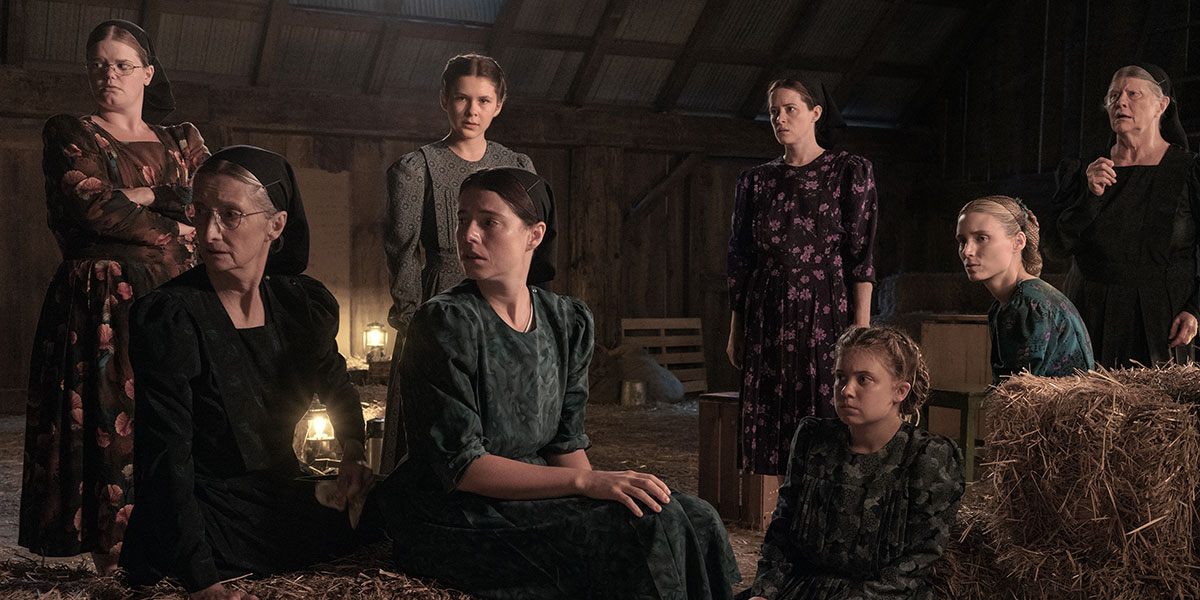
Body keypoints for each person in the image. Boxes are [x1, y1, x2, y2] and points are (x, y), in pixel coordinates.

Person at [379, 167, 739, 599]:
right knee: (639, 526)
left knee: (695, 515)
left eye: (488, 222)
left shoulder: (566, 320)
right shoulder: (445, 322)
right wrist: (587, 486)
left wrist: (598, 495)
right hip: (456, 511)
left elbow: (564, 443)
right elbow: (462, 466)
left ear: (534, 235)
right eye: (462, 220)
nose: (468, 235)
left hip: (531, 494)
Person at [119, 146, 371, 600]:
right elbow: (165, 457)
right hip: (202, 512)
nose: (209, 232)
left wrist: (352, 453)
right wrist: (202, 582)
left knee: (396, 507)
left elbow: (334, 384)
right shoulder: (173, 318)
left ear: (275, 225)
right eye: (201, 214)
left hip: (275, 496)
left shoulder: (300, 305)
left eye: (231, 215)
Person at [20, 19, 208, 573]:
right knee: (110, 418)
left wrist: (137, 197)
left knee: (175, 414)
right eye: (98, 63)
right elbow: (89, 210)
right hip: (98, 301)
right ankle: (117, 560)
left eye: (122, 64)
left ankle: (186, 541)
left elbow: (207, 200)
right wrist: (165, 203)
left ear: (147, 73)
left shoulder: (183, 139)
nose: (109, 73)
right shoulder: (70, 131)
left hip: (176, 293)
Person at [382, 53, 536, 472]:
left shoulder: (518, 167)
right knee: (434, 407)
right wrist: (414, 319)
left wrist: (525, 308)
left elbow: (528, 245)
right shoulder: (417, 168)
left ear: (499, 105)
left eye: (484, 101)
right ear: (444, 100)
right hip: (440, 295)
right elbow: (402, 248)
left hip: (503, 302)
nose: (472, 111)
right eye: (462, 99)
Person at [726, 78, 878, 476]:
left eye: (790, 108)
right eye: (774, 111)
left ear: (815, 113)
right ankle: (785, 518)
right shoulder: (755, 181)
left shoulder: (848, 171)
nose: (780, 118)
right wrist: (736, 327)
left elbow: (861, 255)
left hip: (825, 308)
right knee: (773, 421)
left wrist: (860, 329)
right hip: (767, 310)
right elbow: (740, 258)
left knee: (826, 413)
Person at [743, 326, 964, 600]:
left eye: (864, 379)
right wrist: (764, 593)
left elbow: (919, 557)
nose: (846, 390)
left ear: (900, 391)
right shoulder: (812, 439)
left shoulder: (928, 457)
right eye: (840, 377)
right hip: (805, 588)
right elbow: (782, 529)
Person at [1045, 63, 1200, 367]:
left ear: (1162, 105)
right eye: (1113, 96)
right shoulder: (1084, 171)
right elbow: (1055, 247)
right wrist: (1089, 197)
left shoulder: (1188, 171)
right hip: (1090, 313)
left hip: (1163, 319)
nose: (1121, 102)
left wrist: (1197, 308)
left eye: (1133, 94)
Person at [957, 196, 1094, 383]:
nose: (967, 251)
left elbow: (1020, 393)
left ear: (1018, 242)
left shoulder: (1030, 304)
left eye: (982, 238)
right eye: (962, 241)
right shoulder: (1006, 304)